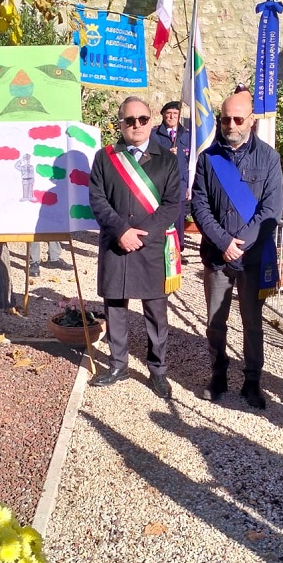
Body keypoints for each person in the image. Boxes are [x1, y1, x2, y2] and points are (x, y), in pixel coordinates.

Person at [190, 87, 283, 410]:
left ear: (251, 120)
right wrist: (224, 242)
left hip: (253, 258)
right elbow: (199, 207)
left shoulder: (269, 158)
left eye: (237, 119)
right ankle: (218, 375)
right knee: (216, 321)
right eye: (225, 119)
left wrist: (240, 243)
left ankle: (252, 380)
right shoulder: (208, 158)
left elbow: (270, 210)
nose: (230, 125)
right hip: (217, 257)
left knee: (252, 322)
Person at [88, 96, 181, 399]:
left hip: (150, 246)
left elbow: (172, 205)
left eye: (142, 119)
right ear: (120, 124)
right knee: (114, 306)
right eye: (130, 120)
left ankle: (158, 370)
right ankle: (118, 365)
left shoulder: (167, 158)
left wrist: (142, 235)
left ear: (151, 121)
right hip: (116, 244)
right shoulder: (105, 158)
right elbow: (97, 200)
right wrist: (121, 231)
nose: (136, 125)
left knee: (156, 313)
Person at [151, 100, 191, 249]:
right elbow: (149, 156)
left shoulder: (186, 135)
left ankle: (178, 248)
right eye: (168, 113)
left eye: (175, 114)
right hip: (161, 183)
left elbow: (190, 162)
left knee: (179, 217)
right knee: (162, 214)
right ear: (163, 115)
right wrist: (166, 154)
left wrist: (189, 185)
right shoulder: (154, 134)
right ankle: (161, 246)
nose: (172, 117)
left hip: (180, 182)